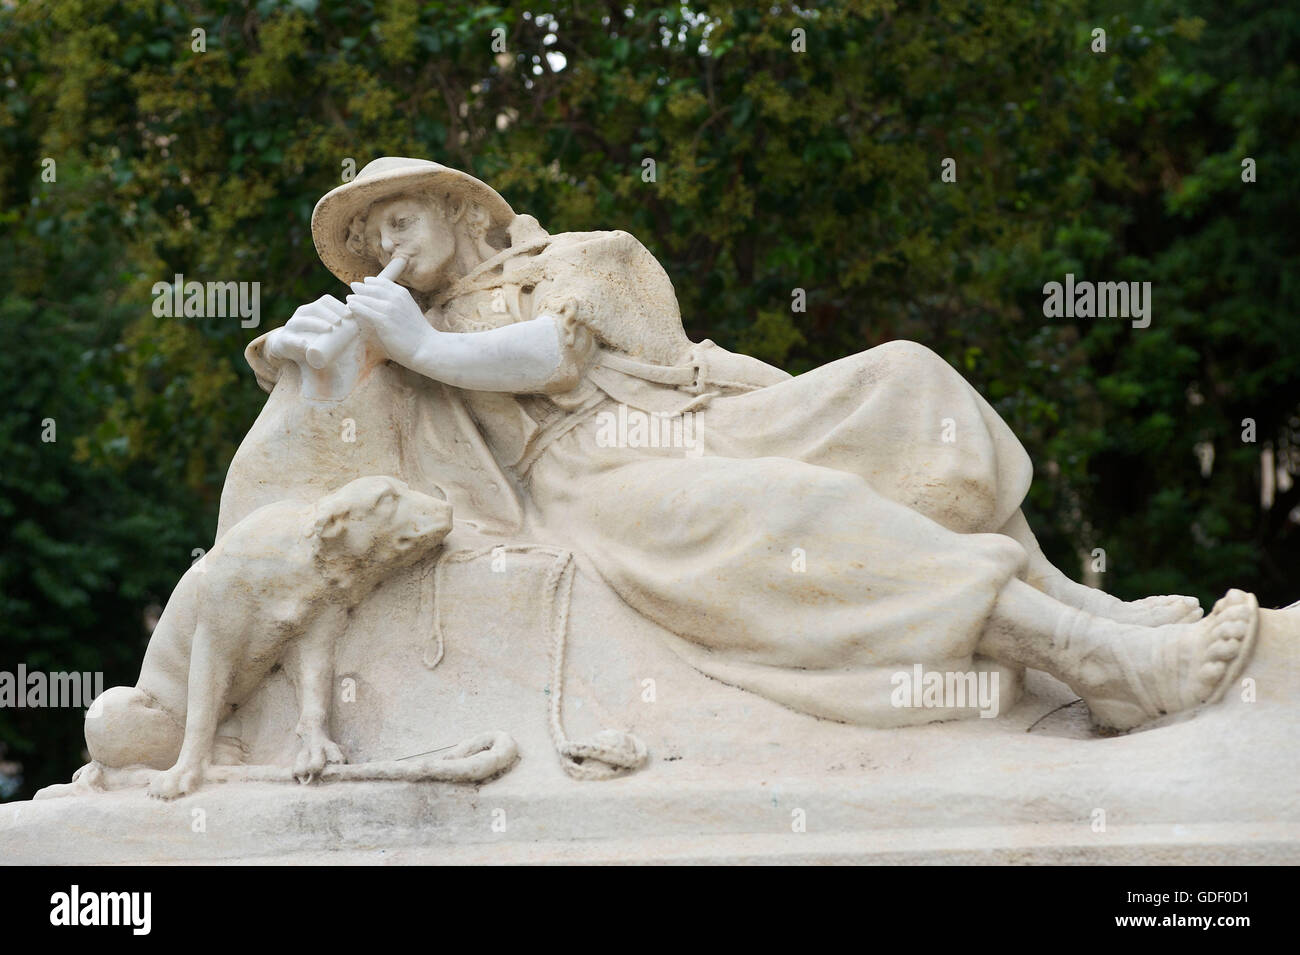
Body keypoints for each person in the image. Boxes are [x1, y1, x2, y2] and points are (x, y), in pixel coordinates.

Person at [251, 157, 1257, 731]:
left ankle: (1080, 603)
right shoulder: (395, 329)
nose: (386, 240)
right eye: (369, 230)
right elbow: (326, 434)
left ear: (467, 208)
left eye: (400, 215)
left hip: (695, 415)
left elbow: (558, 349)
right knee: (803, 515)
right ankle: (1103, 665)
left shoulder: (573, 260)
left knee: (907, 380)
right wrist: (320, 354)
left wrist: (417, 339)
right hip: (592, 475)